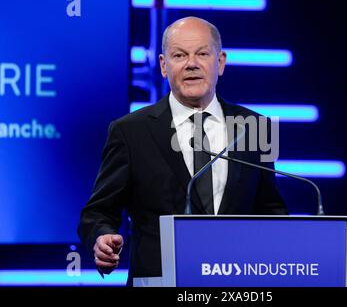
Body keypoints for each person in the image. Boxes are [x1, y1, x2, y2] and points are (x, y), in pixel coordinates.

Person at [78, 16, 288, 286]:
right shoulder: (131, 131)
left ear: (220, 62)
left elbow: (270, 209)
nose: (191, 64)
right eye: (179, 55)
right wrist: (101, 237)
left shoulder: (253, 127)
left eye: (202, 53)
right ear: (164, 66)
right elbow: (97, 213)